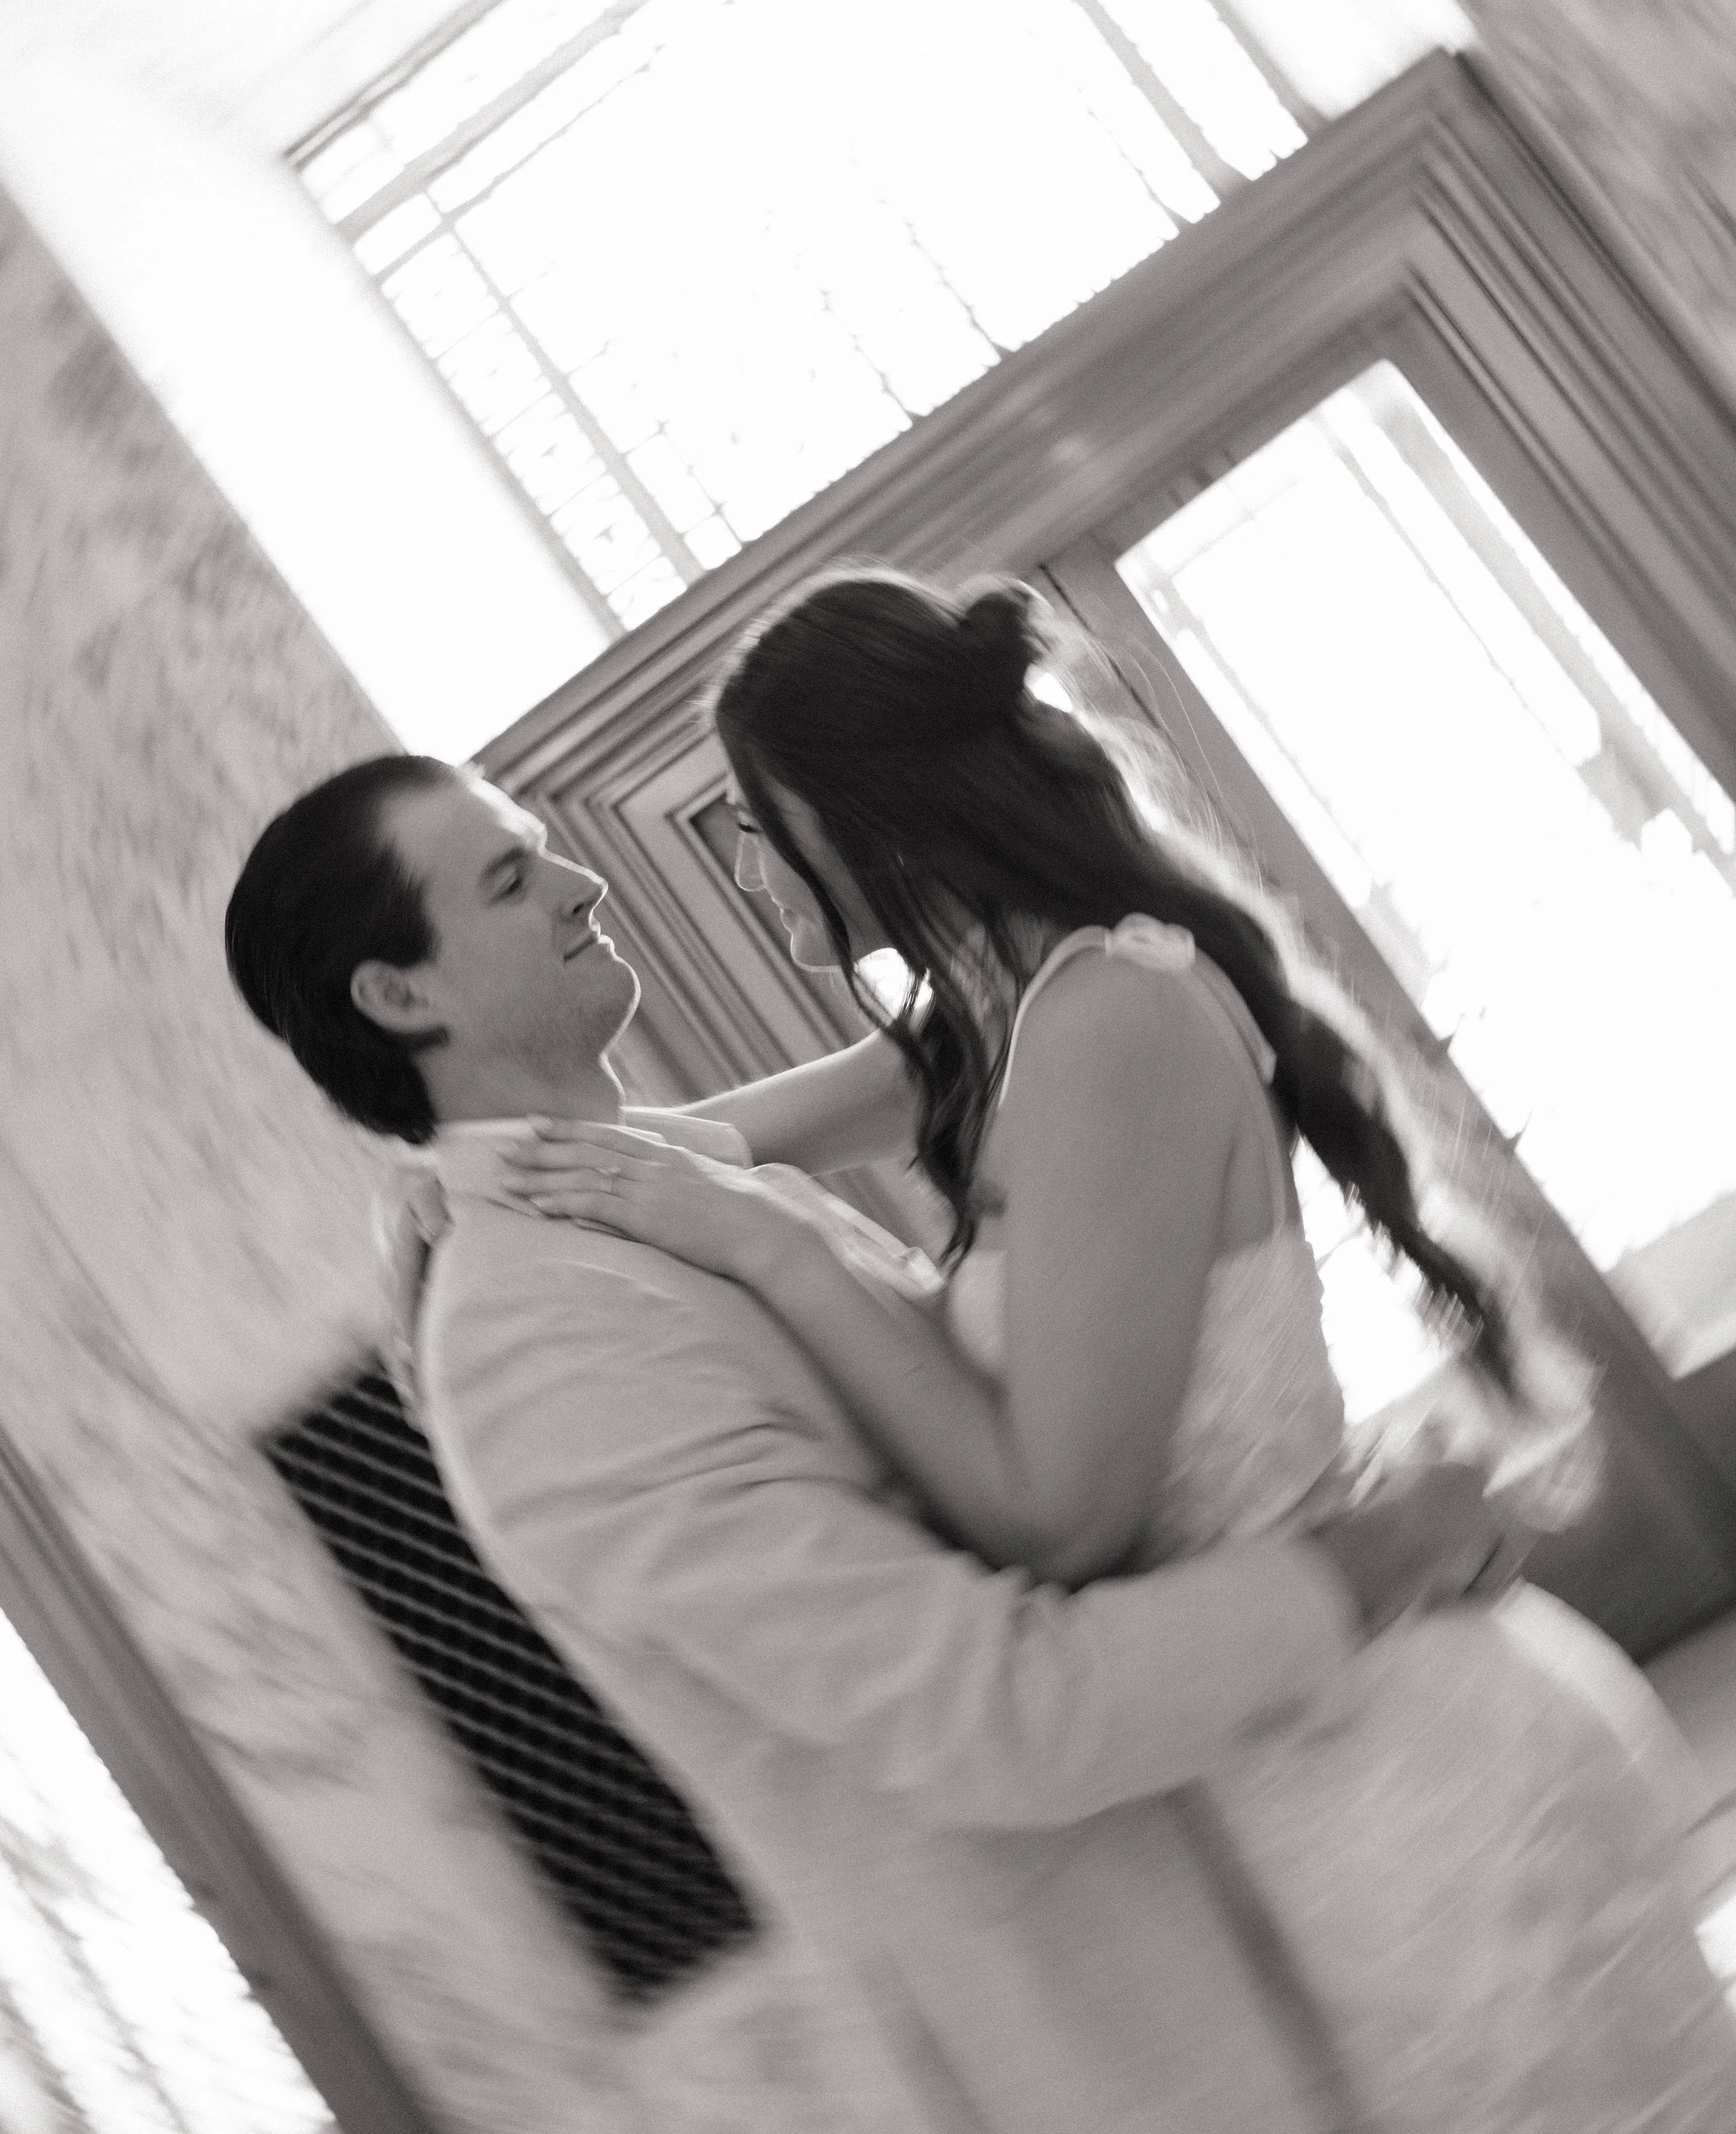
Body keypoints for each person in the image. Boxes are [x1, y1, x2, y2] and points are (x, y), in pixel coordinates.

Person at [508, 571, 1736, 2134]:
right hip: (1267, 1754)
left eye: (756, 819)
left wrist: (759, 1247)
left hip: (1394, 1799)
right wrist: (471, 1185)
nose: (742, 863)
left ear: (858, 806)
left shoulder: (1106, 1023)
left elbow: (1059, 1516)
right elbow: (706, 1146)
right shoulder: (1003, 1019)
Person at [226, 753, 1517, 2134]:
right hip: (1135, 2045)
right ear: (399, 992)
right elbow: (995, 1717)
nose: (584, 878)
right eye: (509, 875)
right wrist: (1363, 1559)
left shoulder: (661, 1189)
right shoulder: (537, 1340)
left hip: (1296, 1874)